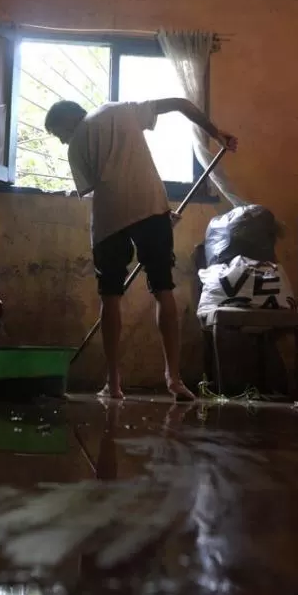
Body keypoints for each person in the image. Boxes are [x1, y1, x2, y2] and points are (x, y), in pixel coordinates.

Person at [44, 98, 237, 401]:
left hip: (109, 221)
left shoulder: (76, 145)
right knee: (163, 290)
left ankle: (114, 383)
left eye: (58, 133)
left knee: (110, 299)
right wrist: (216, 133)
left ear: (68, 119)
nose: (61, 140)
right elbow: (180, 104)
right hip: (150, 209)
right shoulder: (118, 109)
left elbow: (98, 187)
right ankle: (174, 379)